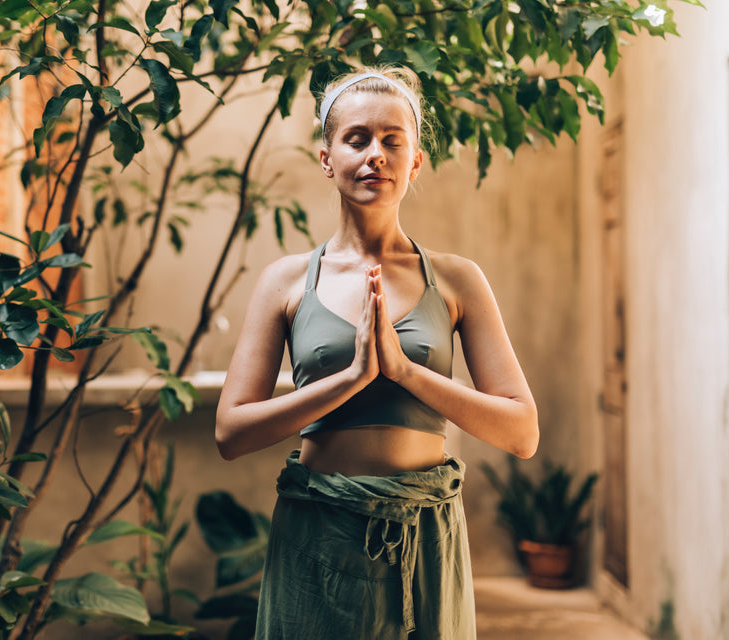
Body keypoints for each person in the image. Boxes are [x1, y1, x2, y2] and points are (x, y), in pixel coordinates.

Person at [215, 67, 539, 640]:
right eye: (357, 138)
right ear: (326, 156)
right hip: (318, 535)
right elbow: (232, 433)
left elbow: (521, 431)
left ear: (414, 162)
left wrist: (405, 372)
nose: (376, 155)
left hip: (426, 535)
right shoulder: (287, 281)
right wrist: (352, 378)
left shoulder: (459, 280)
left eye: (393, 141)